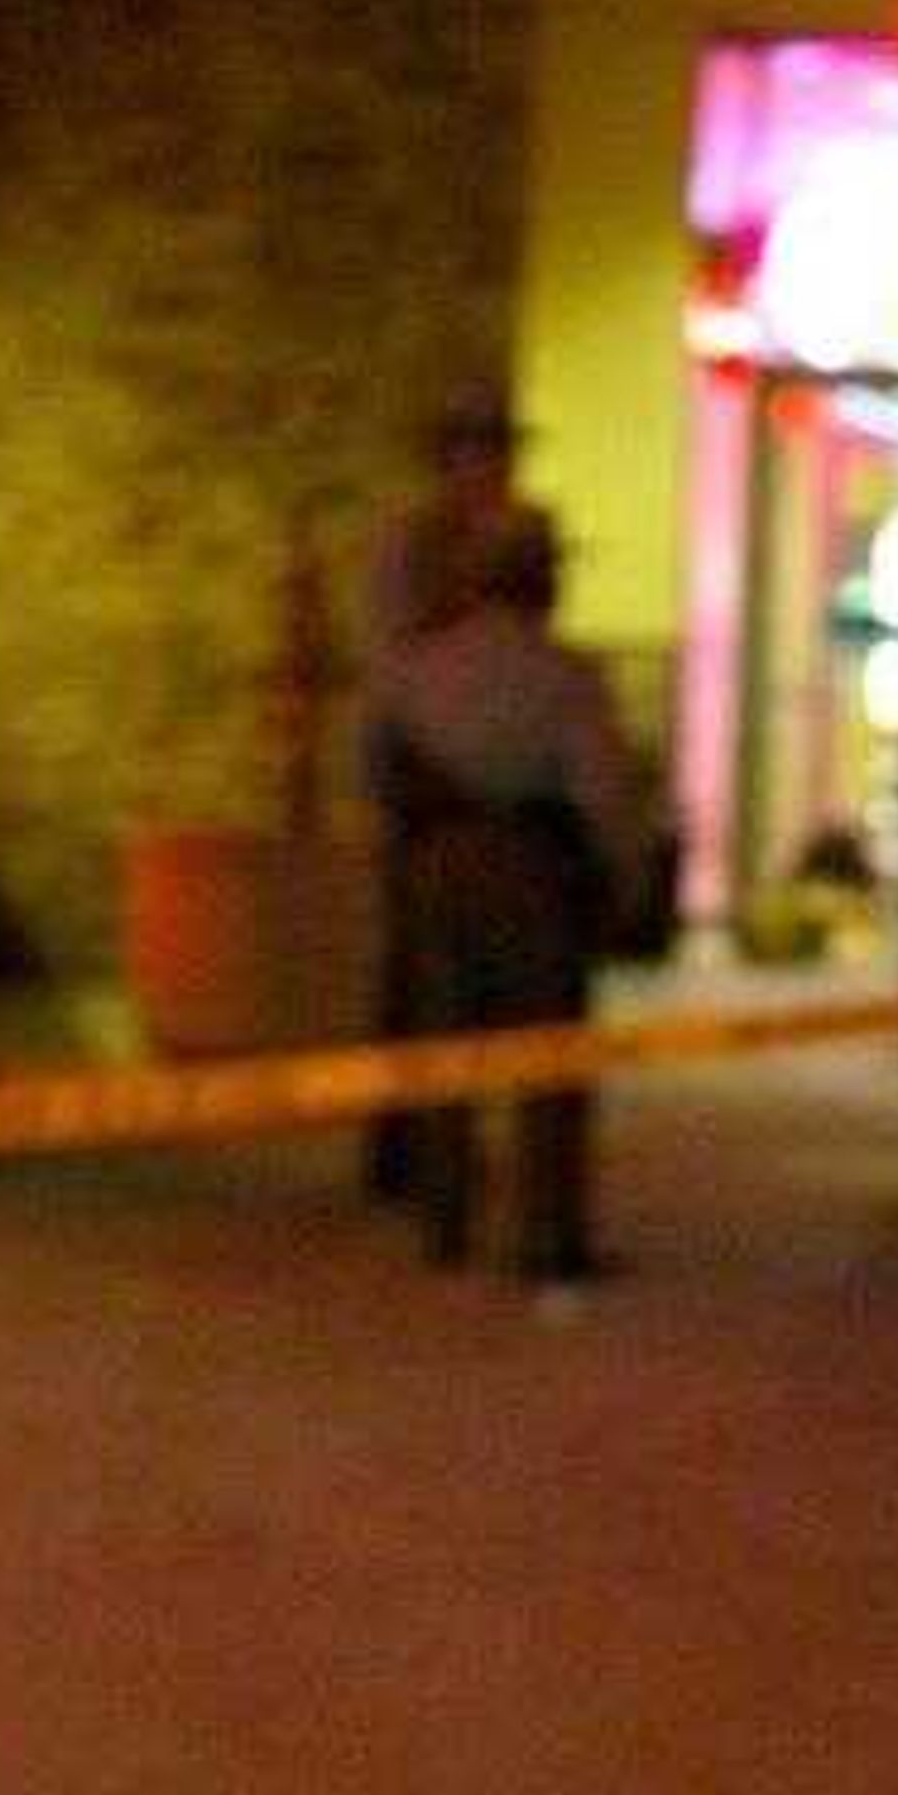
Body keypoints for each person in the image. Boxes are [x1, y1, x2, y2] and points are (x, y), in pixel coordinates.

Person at [372, 502, 651, 1290]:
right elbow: (601, 788)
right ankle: (547, 1235)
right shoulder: (564, 675)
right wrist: (623, 874)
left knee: (443, 1049)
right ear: (540, 581)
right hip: (532, 866)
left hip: (435, 862)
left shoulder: (419, 666)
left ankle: (446, 1221)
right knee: (550, 1060)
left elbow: (376, 764)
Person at [355, 386, 530, 1198]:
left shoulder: (505, 533)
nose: (493, 471)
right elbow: (396, 661)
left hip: (476, 780)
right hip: (425, 777)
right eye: (482, 455)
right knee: (418, 971)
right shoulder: (414, 542)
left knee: (458, 976)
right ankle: (408, 1149)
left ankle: (442, 1143)